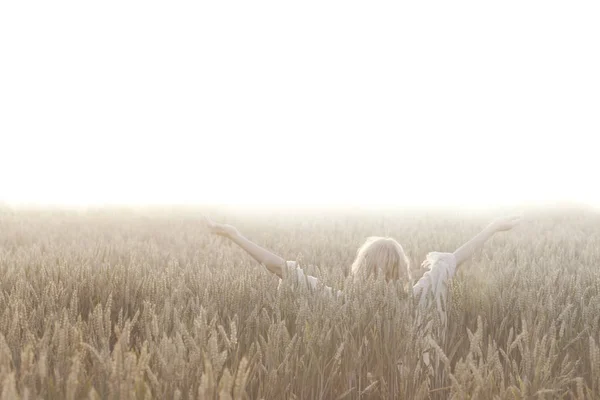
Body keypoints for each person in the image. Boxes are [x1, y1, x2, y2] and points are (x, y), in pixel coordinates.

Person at [202, 214, 522, 324]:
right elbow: (455, 257)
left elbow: (279, 267)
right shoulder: (419, 296)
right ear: (402, 269)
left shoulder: (338, 303)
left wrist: (234, 235)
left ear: (359, 268)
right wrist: (492, 227)